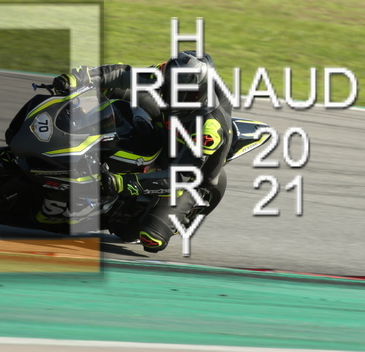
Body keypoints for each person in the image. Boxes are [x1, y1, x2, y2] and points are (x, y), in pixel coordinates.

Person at [52, 51, 233, 253]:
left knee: (151, 238)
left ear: (196, 92)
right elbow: (122, 74)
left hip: (190, 176)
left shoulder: (209, 129)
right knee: (108, 89)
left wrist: (122, 183)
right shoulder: (169, 74)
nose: (168, 91)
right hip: (168, 127)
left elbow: (179, 177)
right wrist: (78, 78)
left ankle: (179, 213)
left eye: (176, 90)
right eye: (168, 85)